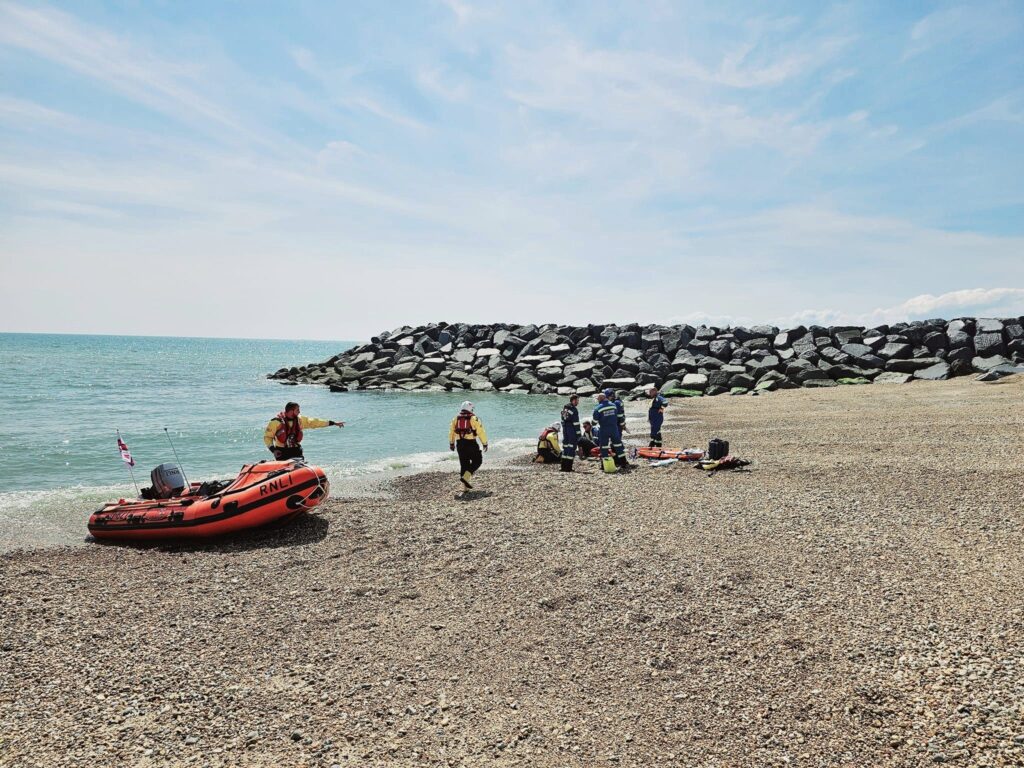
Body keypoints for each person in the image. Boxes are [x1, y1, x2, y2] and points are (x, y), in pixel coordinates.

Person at [263, 402, 344, 460]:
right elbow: (267, 437)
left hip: (296, 450)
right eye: (297, 410)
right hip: (281, 452)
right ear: (291, 411)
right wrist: (273, 450)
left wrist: (333, 423)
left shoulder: (300, 420)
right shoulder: (276, 422)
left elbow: (315, 422)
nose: (299, 412)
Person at [449, 401, 488, 489]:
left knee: (464, 464)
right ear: (470, 408)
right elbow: (481, 432)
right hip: (471, 444)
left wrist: (451, 443)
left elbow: (451, 432)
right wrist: (484, 443)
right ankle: (466, 478)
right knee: (477, 461)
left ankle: (464, 488)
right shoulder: (474, 418)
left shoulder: (455, 418)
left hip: (460, 444)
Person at [593, 392, 625, 473]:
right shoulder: (613, 405)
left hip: (604, 429)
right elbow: (619, 416)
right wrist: (622, 424)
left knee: (603, 447)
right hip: (614, 429)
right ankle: (623, 463)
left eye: (598, 399)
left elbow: (594, 422)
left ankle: (604, 465)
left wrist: (593, 423)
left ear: (600, 399)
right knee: (618, 445)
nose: (597, 401)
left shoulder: (598, 408)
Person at [603, 388, 630, 470]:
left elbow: (620, 416)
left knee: (616, 443)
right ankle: (618, 460)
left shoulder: (616, 403)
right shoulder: (616, 402)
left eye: (607, 397)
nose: (606, 399)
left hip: (617, 425)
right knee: (615, 443)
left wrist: (622, 425)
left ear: (611, 396)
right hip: (616, 425)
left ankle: (621, 461)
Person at [559, 394, 581, 472]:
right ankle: (568, 468)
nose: (578, 402)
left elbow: (562, 420)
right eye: (577, 400)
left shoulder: (565, 408)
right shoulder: (574, 410)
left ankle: (563, 467)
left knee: (565, 447)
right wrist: (579, 435)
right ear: (573, 400)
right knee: (572, 448)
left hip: (565, 429)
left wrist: (565, 428)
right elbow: (576, 423)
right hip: (571, 430)